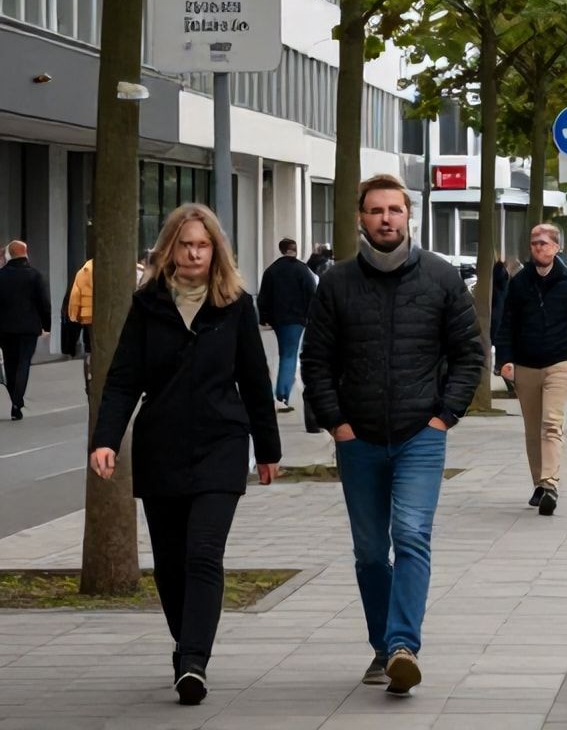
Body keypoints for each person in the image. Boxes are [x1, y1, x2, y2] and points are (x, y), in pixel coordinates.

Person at [89, 205, 282, 706]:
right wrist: (106, 439)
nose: (194, 253)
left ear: (215, 250)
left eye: (202, 245)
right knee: (171, 564)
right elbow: (124, 378)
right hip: (162, 446)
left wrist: (268, 449)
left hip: (221, 443)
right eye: (185, 244)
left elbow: (256, 380)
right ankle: (184, 646)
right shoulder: (148, 303)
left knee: (202, 553)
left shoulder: (236, 304)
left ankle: (194, 660)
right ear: (168, 249)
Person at [300, 174, 482, 696]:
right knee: (369, 552)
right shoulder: (335, 282)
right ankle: (382, 647)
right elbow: (316, 360)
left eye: (394, 210)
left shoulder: (441, 277)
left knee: (411, 535)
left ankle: (403, 645)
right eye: (376, 211)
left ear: (409, 216)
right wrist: (338, 424)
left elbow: (470, 353)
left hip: (419, 435)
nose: (386, 219)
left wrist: (445, 415)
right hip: (357, 438)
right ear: (361, 218)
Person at [495, 225, 567, 516]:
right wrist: (505, 360)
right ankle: (539, 482)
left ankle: (550, 483)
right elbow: (506, 322)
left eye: (544, 243)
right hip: (526, 363)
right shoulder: (519, 282)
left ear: (557, 247)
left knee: (551, 423)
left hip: (559, 362)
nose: (538, 247)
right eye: (534, 243)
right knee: (532, 428)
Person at [256, 238, 316, 413]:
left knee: (284, 353)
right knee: (289, 355)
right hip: (296, 319)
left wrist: (265, 316)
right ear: (295, 250)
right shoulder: (302, 270)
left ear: (280, 249)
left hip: (278, 319)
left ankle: (280, 394)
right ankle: (282, 395)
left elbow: (263, 296)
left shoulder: (271, 270)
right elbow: (312, 293)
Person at [0, 242, 52, 420]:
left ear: (9, 254)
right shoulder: (35, 276)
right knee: (23, 363)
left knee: (10, 363)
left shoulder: (1, 275)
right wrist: (47, 325)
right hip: (28, 328)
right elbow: (43, 303)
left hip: (5, 329)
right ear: (26, 253)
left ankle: (14, 397)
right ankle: (17, 401)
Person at [489, 256, 512, 373]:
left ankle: (499, 366)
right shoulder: (504, 285)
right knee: (500, 342)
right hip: (500, 316)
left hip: (497, 316)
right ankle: (499, 366)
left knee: (498, 342)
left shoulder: (495, 287)